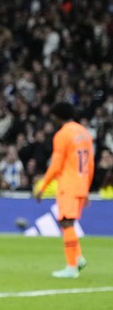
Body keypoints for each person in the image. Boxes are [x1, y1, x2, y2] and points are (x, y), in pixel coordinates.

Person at [35, 102, 94, 279]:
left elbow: (55, 165)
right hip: (81, 184)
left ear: (57, 116)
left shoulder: (62, 135)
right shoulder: (84, 133)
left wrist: (42, 186)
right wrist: (87, 188)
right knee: (69, 223)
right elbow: (90, 164)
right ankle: (78, 257)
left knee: (66, 223)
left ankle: (71, 267)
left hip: (68, 184)